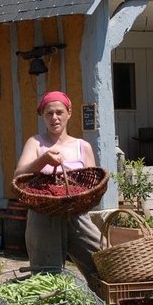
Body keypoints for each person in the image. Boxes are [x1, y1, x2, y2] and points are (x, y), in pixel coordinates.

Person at [14, 90, 102, 278]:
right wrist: (43, 160)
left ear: (69, 113)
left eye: (59, 112)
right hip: (43, 216)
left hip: (77, 215)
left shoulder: (82, 146)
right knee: (47, 275)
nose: (54, 117)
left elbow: (92, 183)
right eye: (49, 113)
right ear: (42, 116)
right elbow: (18, 175)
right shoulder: (36, 143)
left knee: (102, 264)